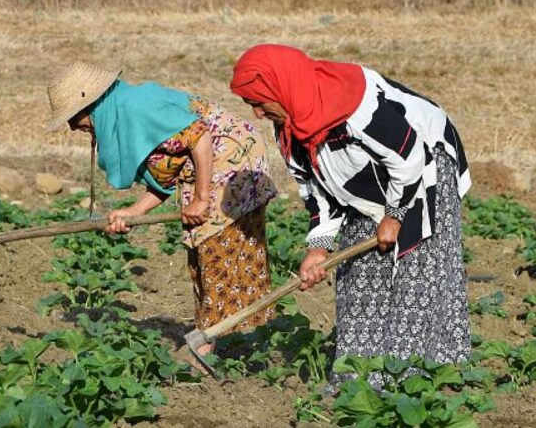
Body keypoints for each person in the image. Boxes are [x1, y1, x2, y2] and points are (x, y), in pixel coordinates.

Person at [230, 44, 472, 389]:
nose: (256, 113)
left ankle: (410, 380)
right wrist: (319, 247)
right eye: (250, 104)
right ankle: (356, 379)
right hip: (364, 181)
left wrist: (395, 213)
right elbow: (315, 190)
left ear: (280, 88)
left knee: (414, 272)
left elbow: (408, 157)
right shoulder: (289, 125)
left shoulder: (356, 105)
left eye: (259, 102)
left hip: (422, 165)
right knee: (359, 275)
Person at [46, 61, 277, 363]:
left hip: (231, 158)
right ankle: (211, 337)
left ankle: (204, 346)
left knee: (216, 246)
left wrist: (202, 198)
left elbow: (199, 137)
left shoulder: (135, 107)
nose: (73, 127)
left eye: (73, 117)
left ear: (91, 104)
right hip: (206, 166)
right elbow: (168, 176)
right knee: (201, 250)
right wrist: (134, 212)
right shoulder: (122, 115)